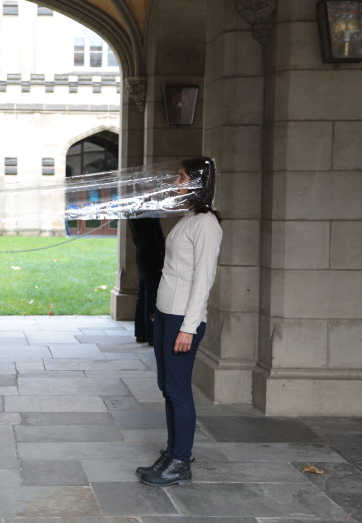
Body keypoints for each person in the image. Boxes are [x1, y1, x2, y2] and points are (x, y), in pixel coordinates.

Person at [135, 157, 222, 487]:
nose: (176, 182)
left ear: (198, 181)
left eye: (182, 177)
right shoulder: (189, 217)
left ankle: (181, 461)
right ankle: (172, 454)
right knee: (167, 387)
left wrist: (189, 326)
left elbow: (204, 279)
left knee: (178, 390)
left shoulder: (206, 224)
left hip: (182, 320)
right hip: (167, 315)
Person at [127, 217, 165, 344]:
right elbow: (151, 240)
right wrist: (160, 262)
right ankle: (151, 334)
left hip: (143, 255)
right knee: (151, 297)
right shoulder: (147, 215)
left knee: (143, 294)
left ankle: (141, 332)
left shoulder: (136, 213)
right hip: (151, 258)